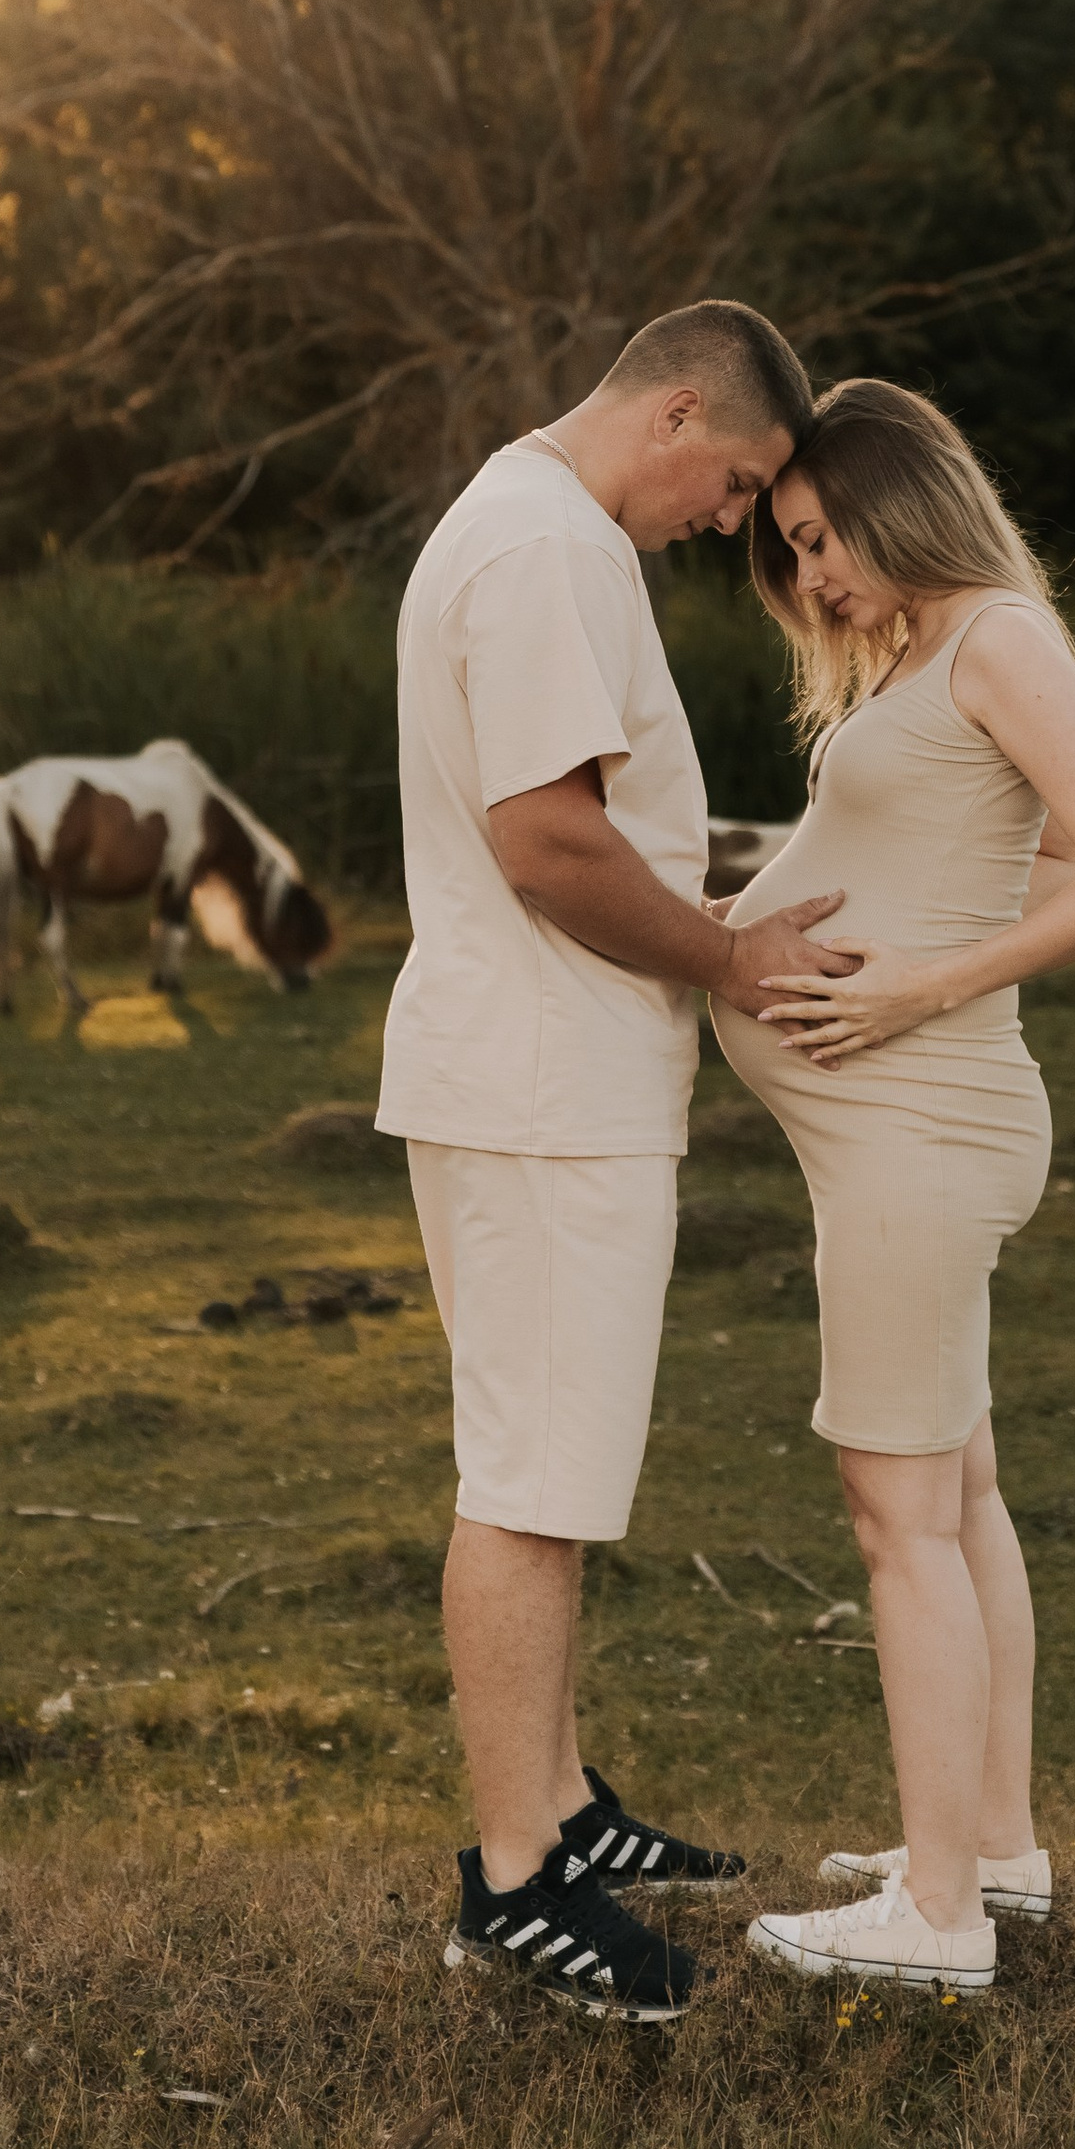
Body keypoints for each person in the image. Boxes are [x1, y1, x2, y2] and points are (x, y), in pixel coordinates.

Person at [378, 300, 856, 2025]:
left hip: (555, 1080)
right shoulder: (544, 551)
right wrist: (731, 955)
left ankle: (564, 1812)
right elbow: (551, 845)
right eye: (734, 486)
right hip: (534, 1087)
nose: (732, 526)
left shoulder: (537, 529)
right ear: (674, 418)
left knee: (557, 1467)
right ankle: (517, 1887)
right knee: (529, 1479)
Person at [709, 380, 1075, 1996]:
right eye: (791, 548)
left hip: (924, 1123)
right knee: (959, 1495)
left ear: (906, 500)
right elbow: (1015, 855)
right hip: (895, 1134)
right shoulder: (925, 658)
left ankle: (936, 1923)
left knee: (895, 1514)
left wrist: (925, 988)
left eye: (825, 537)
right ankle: (991, 1851)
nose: (812, 576)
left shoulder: (995, 636)